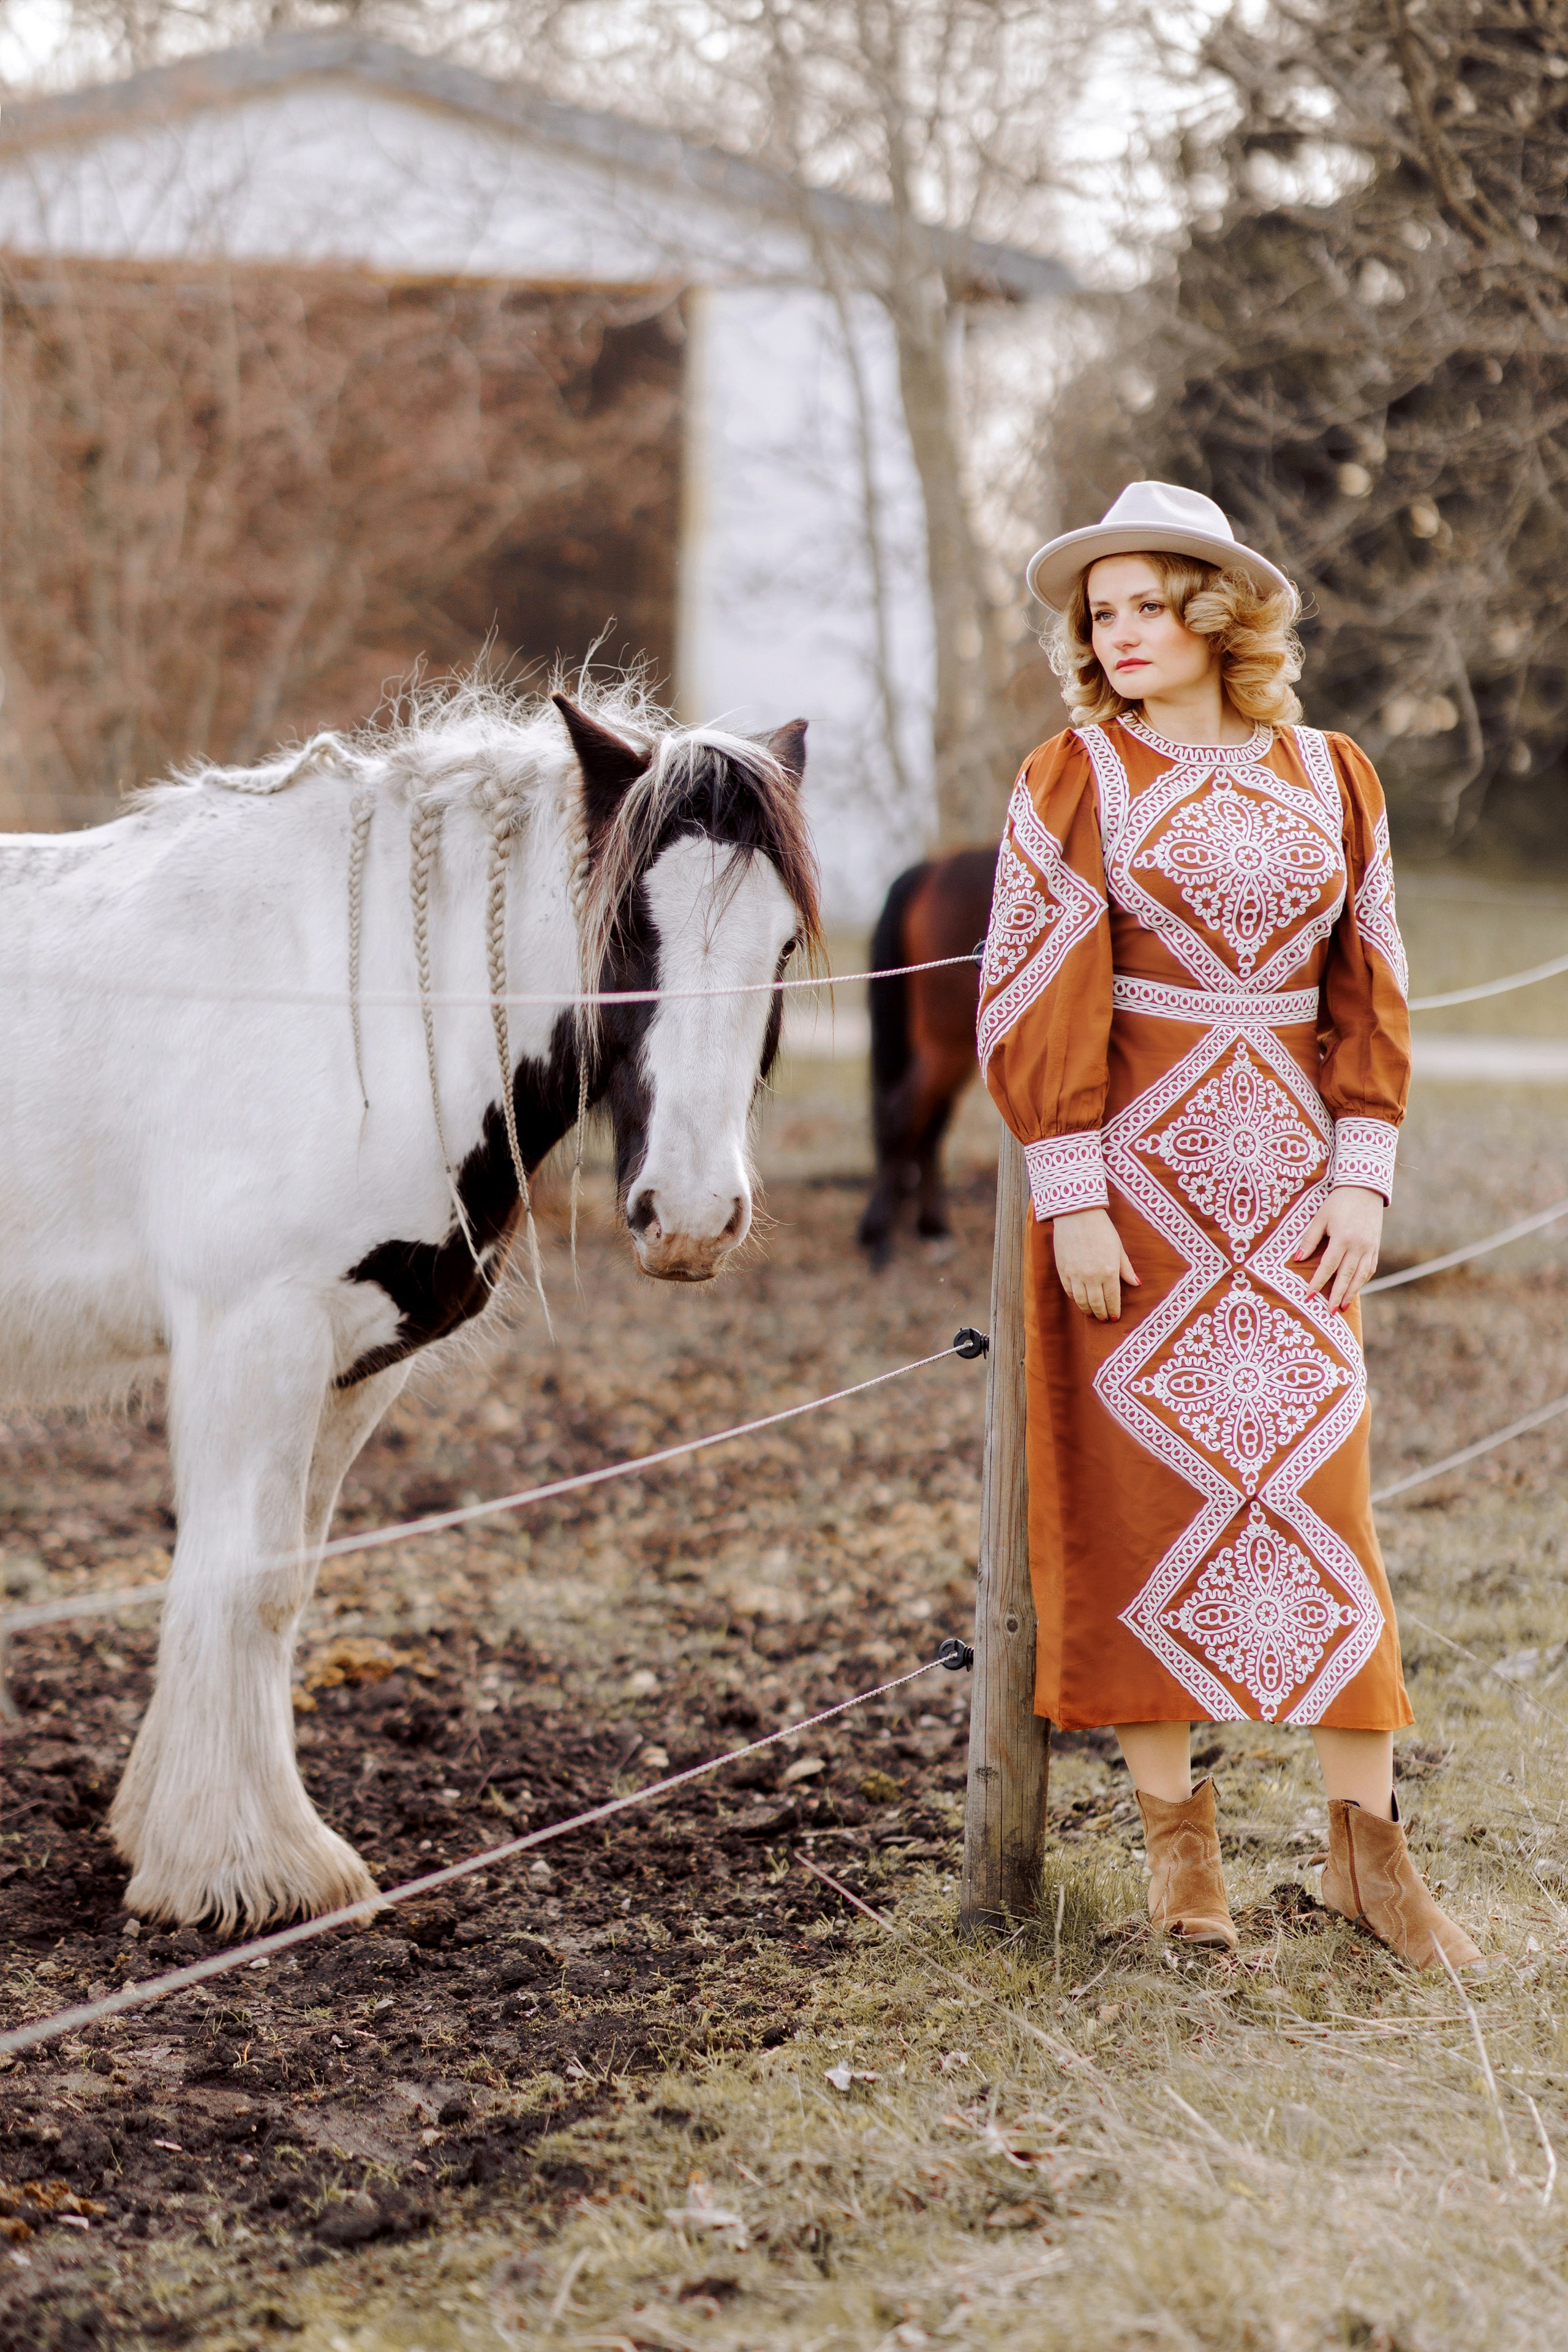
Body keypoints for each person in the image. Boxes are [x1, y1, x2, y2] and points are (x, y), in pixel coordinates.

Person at [977, 480, 1480, 1969]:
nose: (1119, 634)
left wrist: (1361, 1173)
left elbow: (1370, 983)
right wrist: (1068, 1186)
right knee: (1143, 1508)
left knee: (1321, 1507)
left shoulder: (1336, 775)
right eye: (1100, 613)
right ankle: (1177, 1859)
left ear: (1214, 613)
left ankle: (1364, 1860)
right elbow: (1023, 996)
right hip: (1132, 1204)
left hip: (1289, 1202)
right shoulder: (1071, 775)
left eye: (1147, 604)